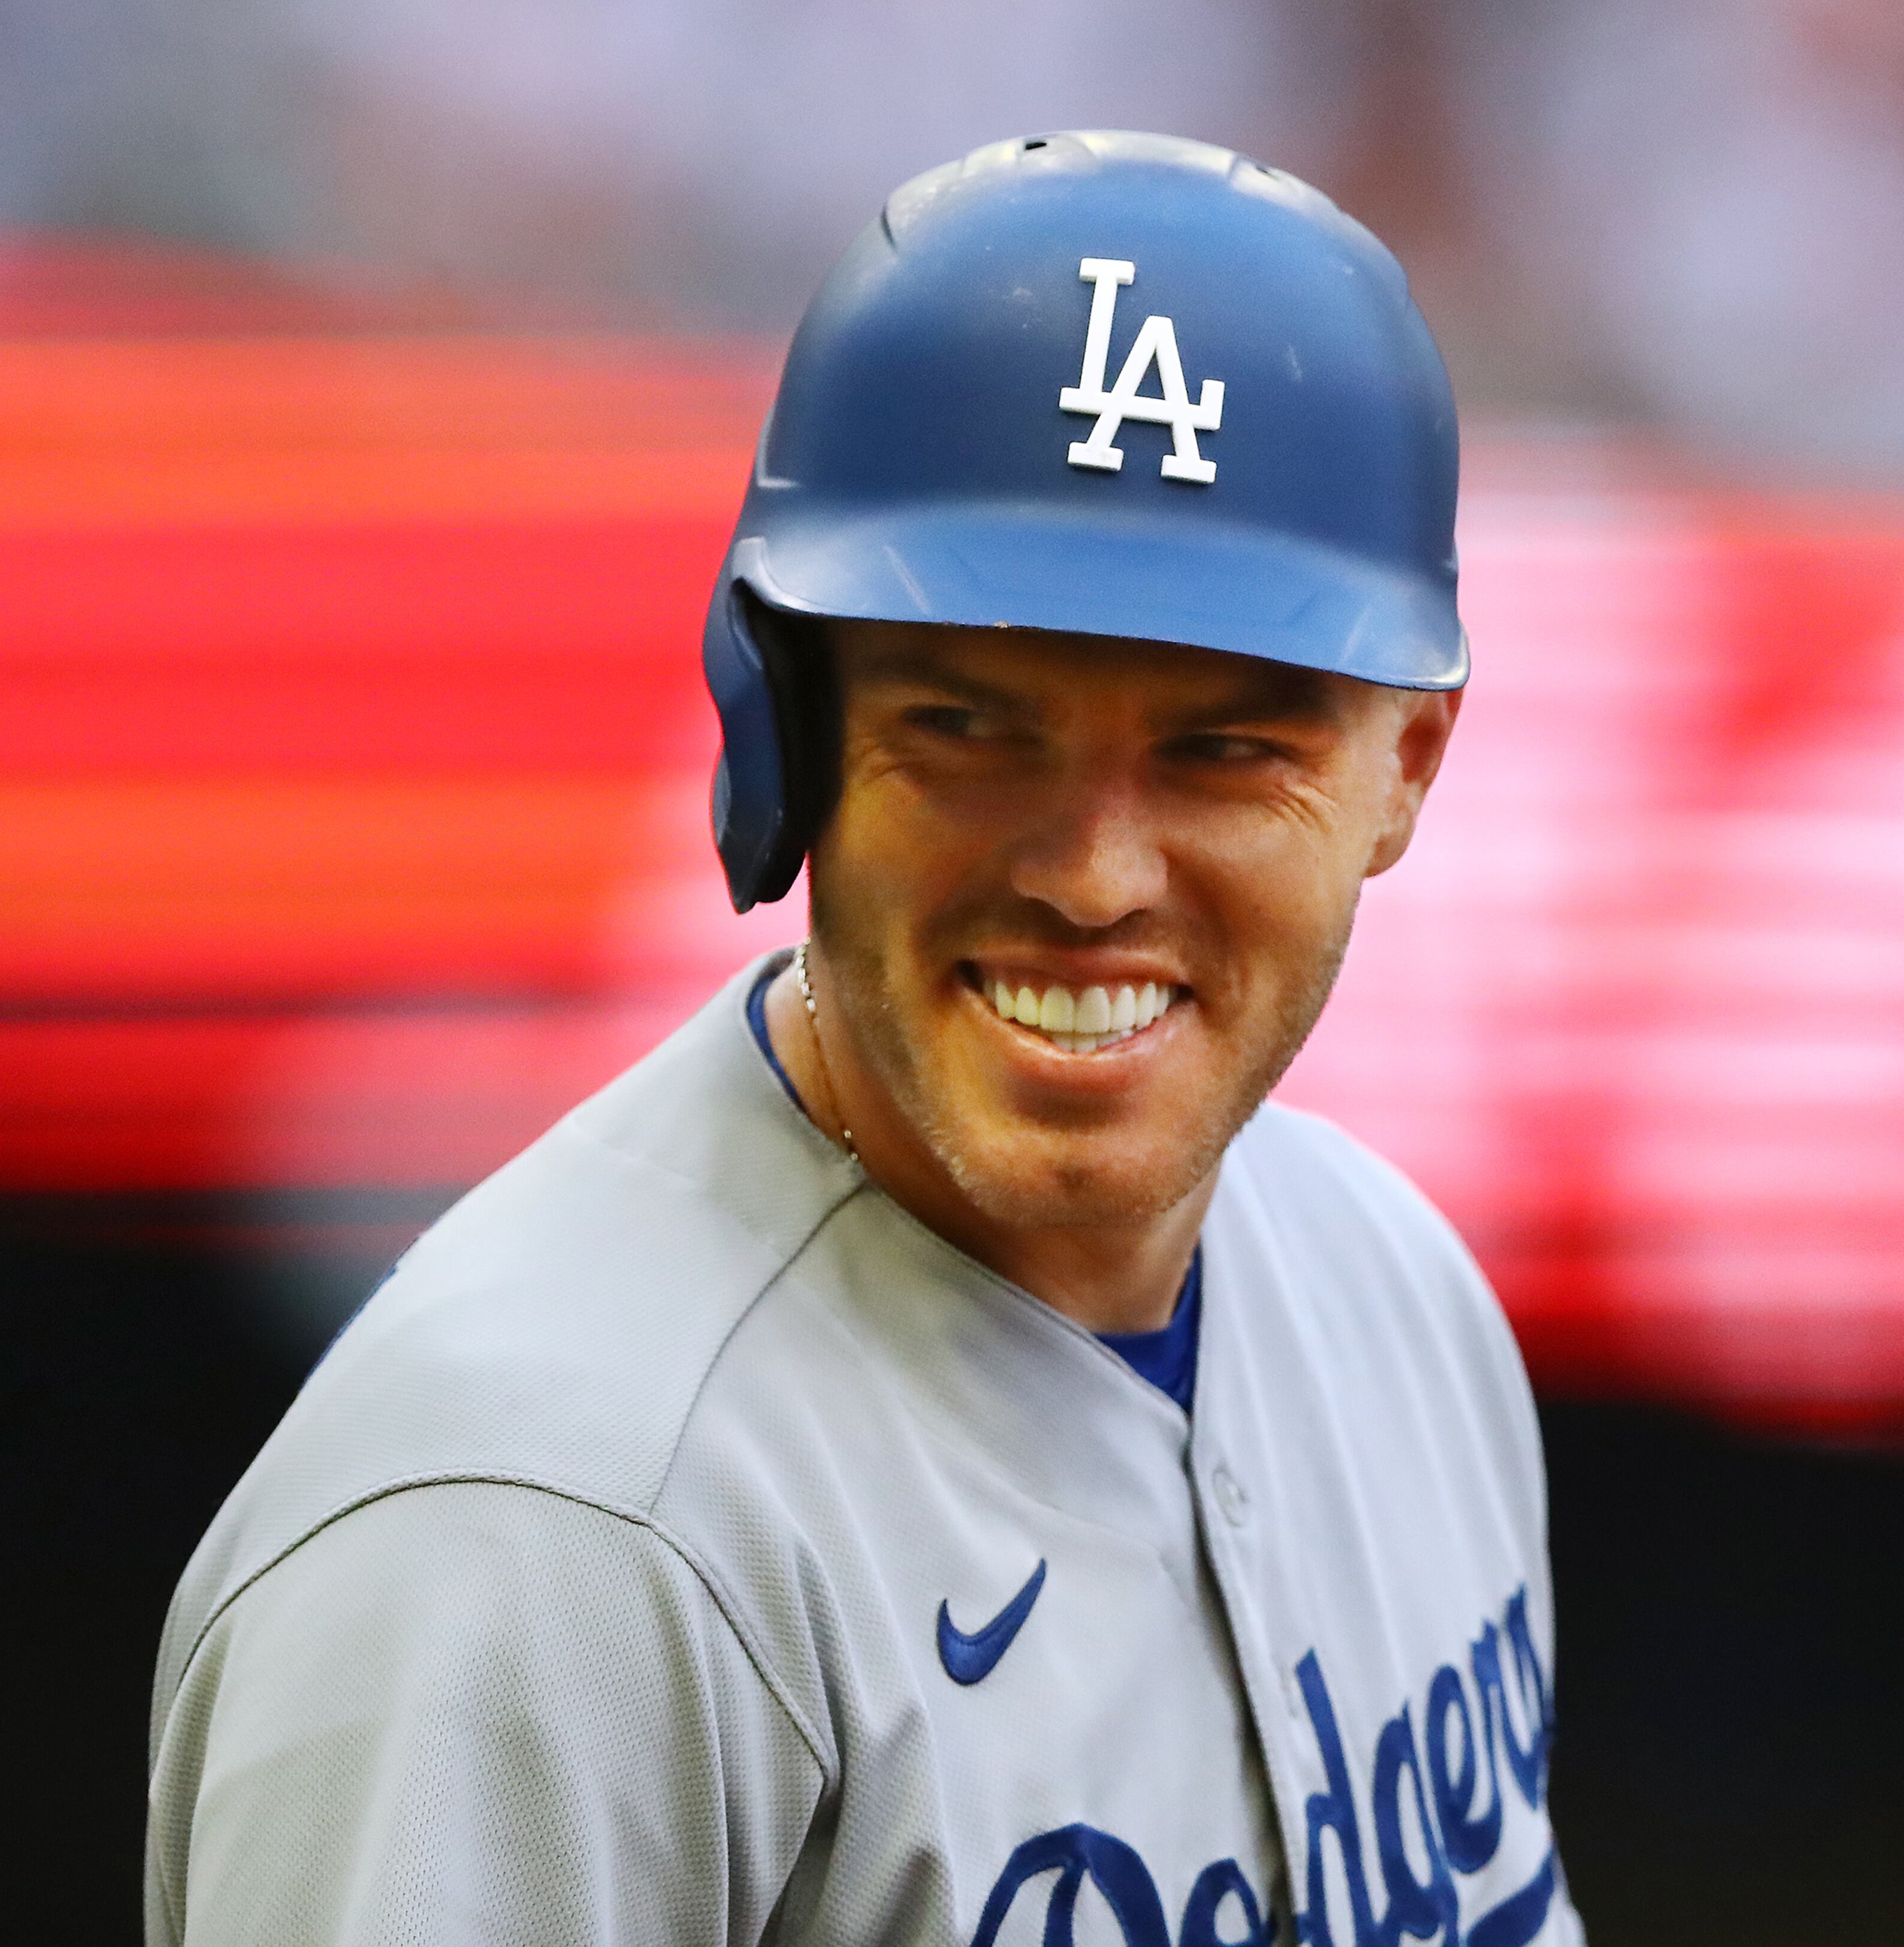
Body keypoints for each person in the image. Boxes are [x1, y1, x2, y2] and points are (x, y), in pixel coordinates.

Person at [146, 130, 1582, 1947]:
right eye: (974, 724)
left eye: (1230, 747)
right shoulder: (542, 1548)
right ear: (793, 726)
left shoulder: (1401, 1306)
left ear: (1407, 774)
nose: (1093, 875)